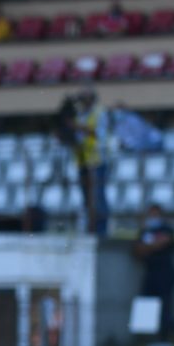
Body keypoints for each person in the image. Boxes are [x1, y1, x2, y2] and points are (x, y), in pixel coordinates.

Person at [133, 204, 174, 341]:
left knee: (165, 306)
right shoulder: (145, 231)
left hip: (165, 273)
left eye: (155, 214)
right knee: (146, 303)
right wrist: (153, 246)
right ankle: (145, 337)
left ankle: (166, 336)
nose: (153, 217)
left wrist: (148, 246)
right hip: (150, 273)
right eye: (151, 214)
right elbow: (138, 250)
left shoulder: (167, 229)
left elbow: (164, 242)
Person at [73, 88, 111, 237]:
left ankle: (101, 230)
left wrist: (79, 128)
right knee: (86, 197)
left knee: (98, 196)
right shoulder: (79, 114)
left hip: (97, 160)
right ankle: (90, 228)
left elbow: (100, 134)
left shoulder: (100, 113)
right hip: (82, 160)